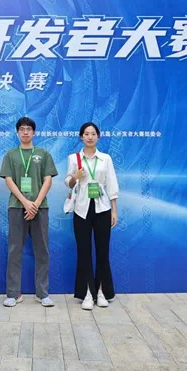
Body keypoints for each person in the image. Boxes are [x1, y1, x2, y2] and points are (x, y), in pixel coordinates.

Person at [0, 116, 58, 307]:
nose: (25, 132)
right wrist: (25, 202)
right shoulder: (10, 154)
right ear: (17, 132)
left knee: (42, 250)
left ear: (34, 132)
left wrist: (36, 203)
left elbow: (48, 180)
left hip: (40, 207)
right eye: (22, 129)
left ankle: (42, 293)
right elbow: (9, 180)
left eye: (28, 129)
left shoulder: (43, 154)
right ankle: (13, 294)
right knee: (14, 250)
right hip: (17, 207)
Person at [65, 122, 119, 309]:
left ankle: (101, 292)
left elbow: (112, 184)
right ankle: (88, 293)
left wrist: (114, 210)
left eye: (93, 134)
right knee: (84, 252)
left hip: (102, 208)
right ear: (81, 137)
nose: (90, 137)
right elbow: (68, 182)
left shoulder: (105, 159)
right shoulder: (74, 158)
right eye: (86, 134)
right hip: (81, 209)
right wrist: (75, 177)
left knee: (103, 251)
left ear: (98, 136)